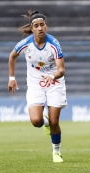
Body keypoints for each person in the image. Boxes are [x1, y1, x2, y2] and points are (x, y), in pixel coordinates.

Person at [8, 10, 67, 163]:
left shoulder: (54, 44)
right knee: (36, 121)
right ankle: (44, 123)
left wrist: (52, 76)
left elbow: (61, 70)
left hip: (54, 82)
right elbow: (12, 56)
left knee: (55, 121)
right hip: (35, 84)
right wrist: (12, 78)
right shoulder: (25, 44)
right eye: (36, 26)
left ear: (46, 26)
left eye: (42, 25)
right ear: (32, 28)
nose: (40, 28)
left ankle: (56, 152)